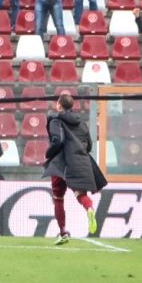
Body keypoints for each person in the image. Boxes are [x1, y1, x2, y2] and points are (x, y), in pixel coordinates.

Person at [44, 93, 107, 245]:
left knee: (58, 198)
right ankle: (89, 207)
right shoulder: (82, 123)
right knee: (80, 194)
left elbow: (58, 141)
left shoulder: (55, 120)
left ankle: (63, 232)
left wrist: (48, 154)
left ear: (59, 105)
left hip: (61, 164)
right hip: (79, 162)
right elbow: (89, 145)